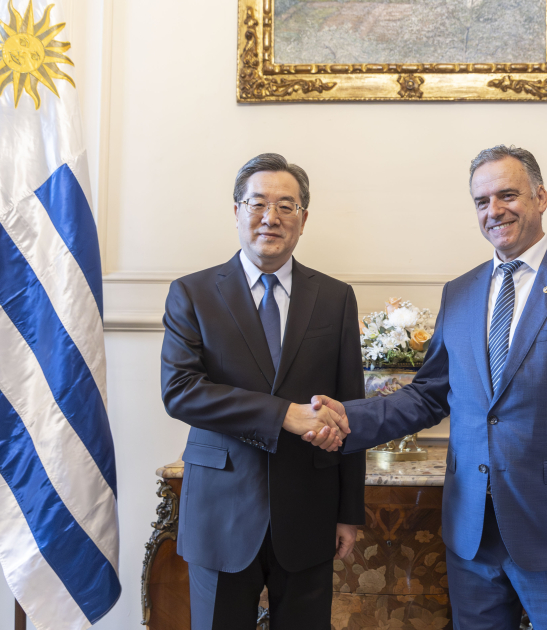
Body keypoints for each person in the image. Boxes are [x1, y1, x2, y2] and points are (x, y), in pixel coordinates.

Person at [309, 145, 547, 630]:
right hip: (471, 534)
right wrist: (345, 418)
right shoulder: (460, 292)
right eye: (482, 201)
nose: (494, 210)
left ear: (541, 197)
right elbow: (428, 394)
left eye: (508, 195)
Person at [161, 153, 363, 630]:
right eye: (257, 203)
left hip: (310, 510)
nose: (271, 217)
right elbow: (181, 391)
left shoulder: (335, 298)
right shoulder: (192, 293)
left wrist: (349, 512)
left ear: (303, 219)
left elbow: (349, 410)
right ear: (237, 211)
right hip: (220, 510)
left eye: (286, 206)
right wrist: (282, 414)